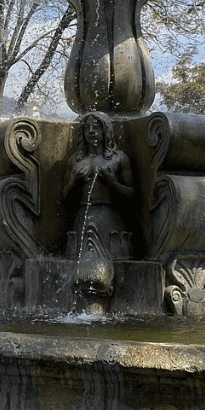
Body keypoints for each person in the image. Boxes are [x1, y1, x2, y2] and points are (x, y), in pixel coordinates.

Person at [64, 112, 134, 305]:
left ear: (106, 130)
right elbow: (65, 199)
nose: (91, 131)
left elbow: (132, 195)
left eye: (97, 126)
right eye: (86, 127)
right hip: (82, 219)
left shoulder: (119, 159)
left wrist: (113, 183)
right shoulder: (75, 161)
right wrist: (74, 181)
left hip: (110, 219)